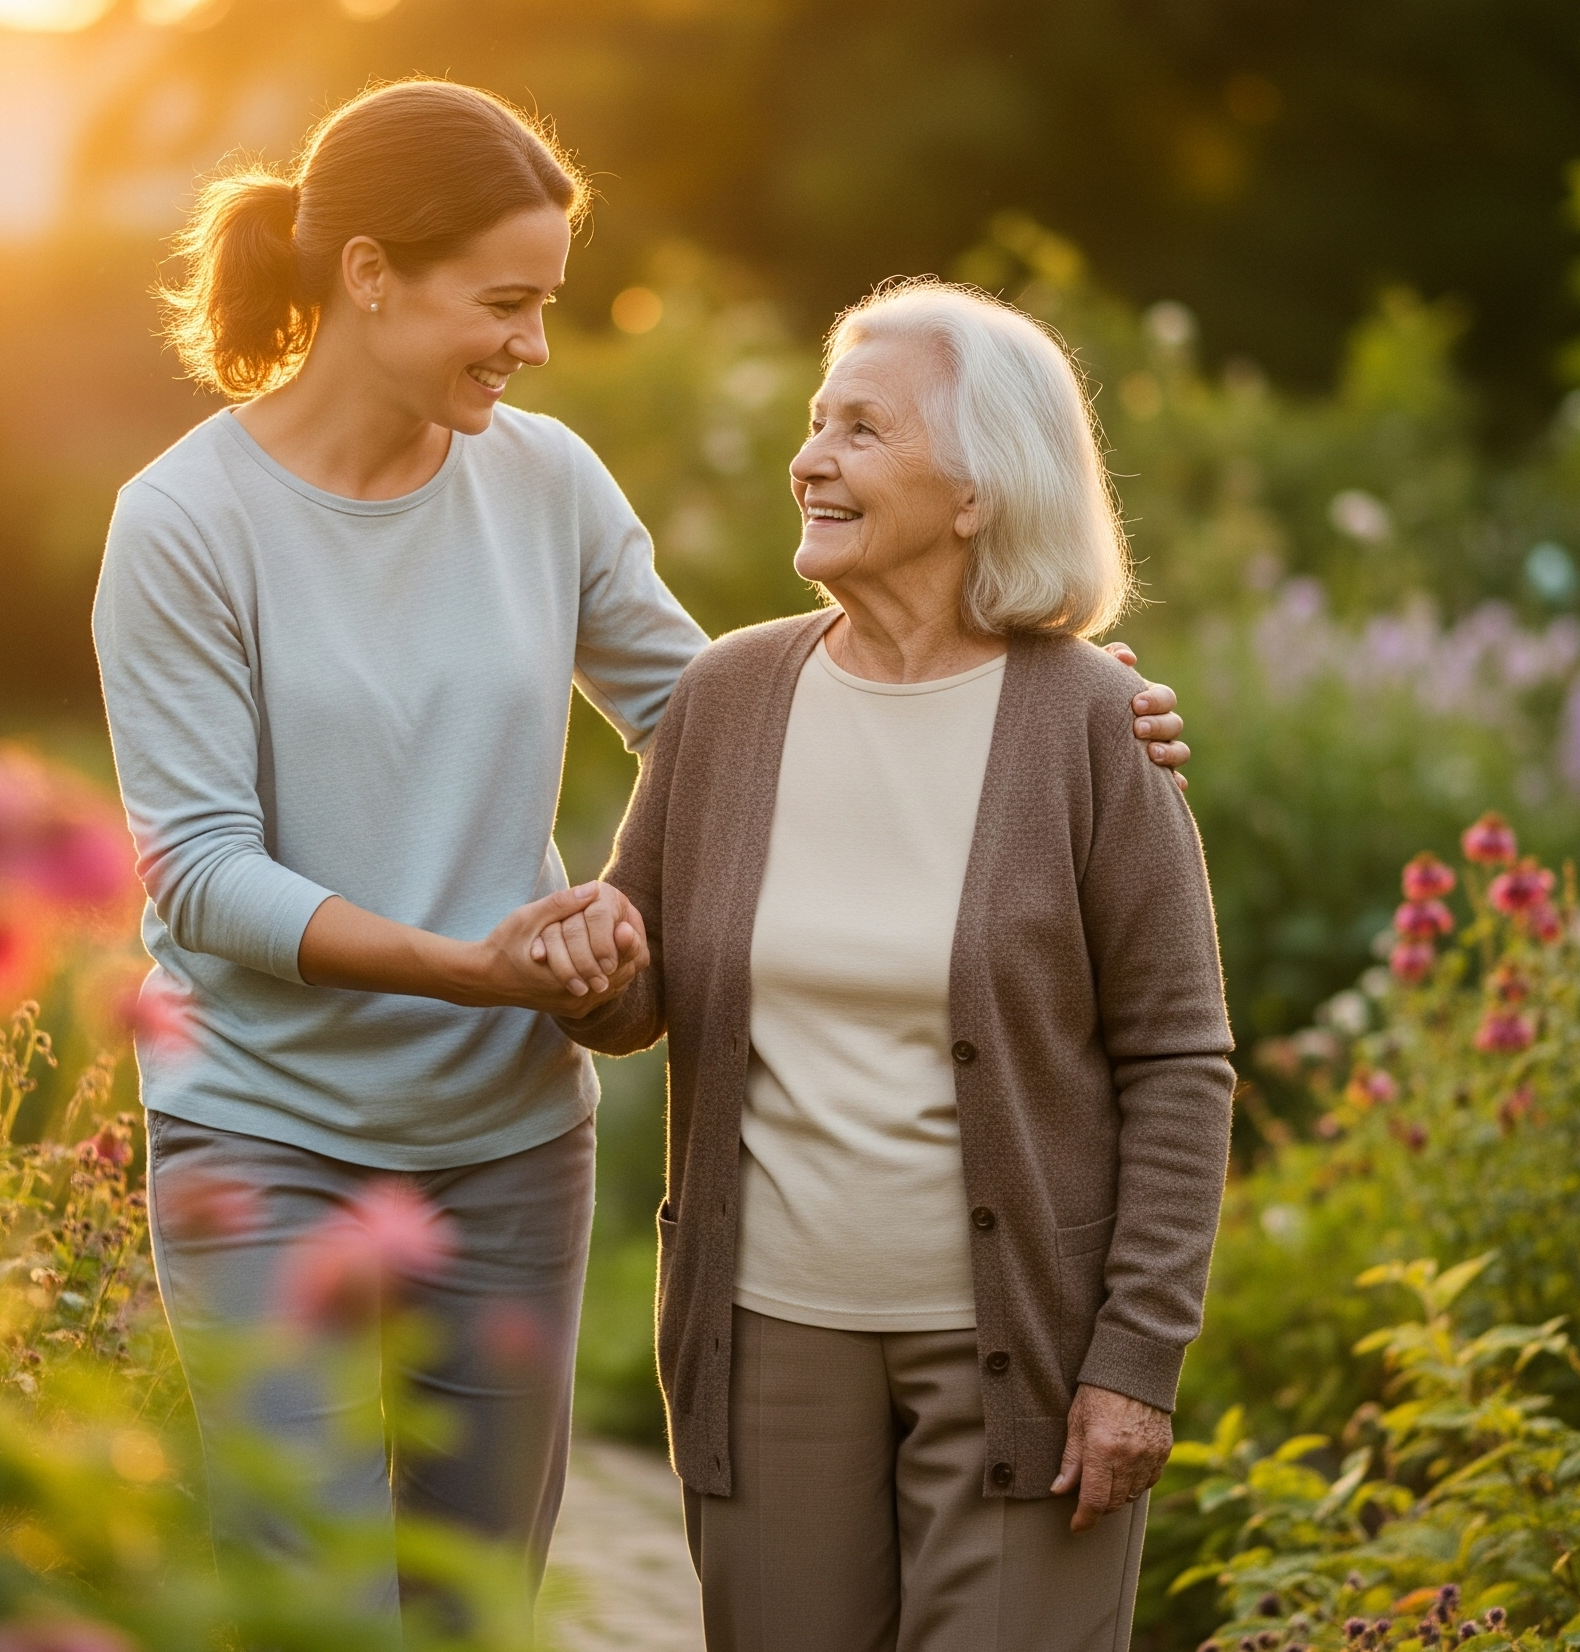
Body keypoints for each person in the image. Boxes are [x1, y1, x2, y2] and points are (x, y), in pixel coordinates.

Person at [93, 78, 1193, 1595]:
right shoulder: (185, 523)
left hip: (500, 1142)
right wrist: (468, 969)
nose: (534, 344)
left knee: (476, 1591)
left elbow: (707, 709)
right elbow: (201, 873)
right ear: (368, 276)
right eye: (506, 301)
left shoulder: (541, 479)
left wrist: (1033, 699)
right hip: (268, 1130)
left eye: (545, 302)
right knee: (313, 1592)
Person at [555, 279, 1236, 1651]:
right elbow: (642, 988)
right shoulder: (726, 700)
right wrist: (586, 958)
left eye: (861, 430)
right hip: (765, 1344)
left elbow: (1178, 1058)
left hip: (1027, 1359)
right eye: (817, 424)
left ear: (982, 490)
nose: (810, 459)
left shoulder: (1096, 726)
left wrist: (1136, 1363)